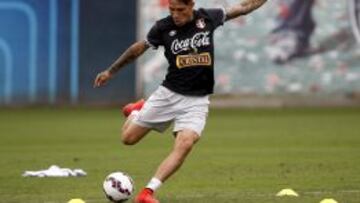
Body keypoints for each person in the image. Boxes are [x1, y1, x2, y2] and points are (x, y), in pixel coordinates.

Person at [94, 0, 267, 202]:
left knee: (185, 143)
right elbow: (137, 49)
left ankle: (147, 193)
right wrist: (110, 71)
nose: (176, 14)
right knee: (128, 139)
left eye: (180, 10)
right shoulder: (163, 27)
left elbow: (243, 7)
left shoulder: (208, 17)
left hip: (197, 100)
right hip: (168, 94)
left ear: (191, 5)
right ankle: (136, 110)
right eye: (172, 10)